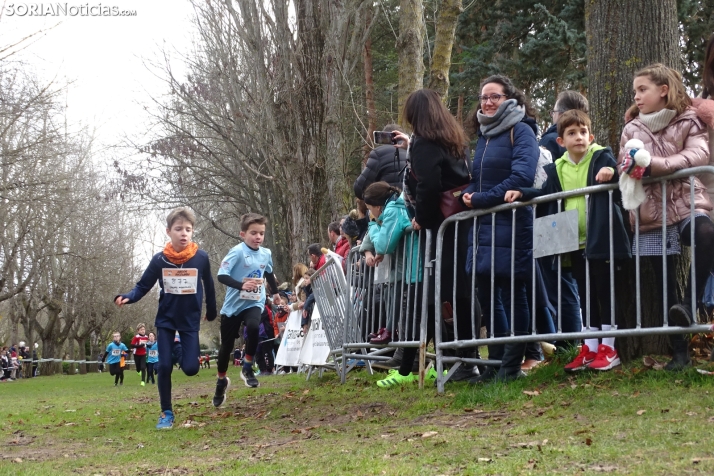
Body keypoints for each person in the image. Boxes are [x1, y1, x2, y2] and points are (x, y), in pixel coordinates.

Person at [507, 109, 632, 371]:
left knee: (604, 291)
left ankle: (610, 347)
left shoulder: (600, 156)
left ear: (591, 135)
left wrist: (609, 171)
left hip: (602, 239)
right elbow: (545, 193)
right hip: (575, 242)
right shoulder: (558, 168)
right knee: (586, 294)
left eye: (583, 132)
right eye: (572, 133)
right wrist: (523, 193)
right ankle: (590, 346)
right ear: (561, 141)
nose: (579, 137)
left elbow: (615, 169)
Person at [375, 88, 473, 387]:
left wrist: (423, 218)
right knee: (455, 294)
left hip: (441, 224)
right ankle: (456, 359)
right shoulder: (453, 139)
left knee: (447, 296)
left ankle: (462, 361)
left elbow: (429, 184)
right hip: (460, 221)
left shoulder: (425, 144)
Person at [619, 63, 714, 370]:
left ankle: (690, 304)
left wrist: (657, 165)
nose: (637, 96)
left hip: (687, 201)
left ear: (663, 90)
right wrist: (635, 166)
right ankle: (679, 354)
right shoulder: (631, 128)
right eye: (635, 91)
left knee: (705, 234)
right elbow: (628, 164)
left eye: (642, 89)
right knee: (663, 283)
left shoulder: (689, 119)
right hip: (651, 213)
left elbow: (699, 155)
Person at [461, 75, 540, 383]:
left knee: (513, 291)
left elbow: (521, 175)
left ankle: (512, 363)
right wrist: (468, 192)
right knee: (488, 294)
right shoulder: (484, 137)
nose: (488, 103)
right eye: (484, 98)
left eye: (494, 97)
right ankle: (495, 364)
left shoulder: (521, 130)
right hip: (484, 228)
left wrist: (479, 199)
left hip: (511, 223)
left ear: (510, 99)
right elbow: (479, 177)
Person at [114, 207, 217, 429]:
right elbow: (142, 286)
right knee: (163, 366)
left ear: (192, 232)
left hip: (189, 320)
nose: (184, 233)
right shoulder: (160, 260)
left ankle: (178, 351)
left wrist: (211, 310)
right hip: (167, 319)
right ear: (169, 231)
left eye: (188, 229)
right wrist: (127, 297)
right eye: (179, 229)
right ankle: (166, 413)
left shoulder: (201, 258)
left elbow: (208, 284)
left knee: (191, 368)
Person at [536, 91, 589, 356]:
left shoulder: (549, 140)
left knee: (561, 280)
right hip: (566, 219)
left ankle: (570, 343)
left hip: (556, 221)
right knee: (568, 281)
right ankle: (573, 341)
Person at [213, 213, 279, 407]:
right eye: (253, 233)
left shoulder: (266, 253)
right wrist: (241, 286)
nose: (258, 237)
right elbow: (221, 275)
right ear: (243, 234)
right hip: (233, 306)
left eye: (261, 233)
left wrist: (275, 293)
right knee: (226, 349)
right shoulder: (237, 252)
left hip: (254, 302)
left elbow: (268, 272)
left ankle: (248, 367)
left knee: (253, 327)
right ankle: (221, 381)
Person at [354, 124, 408, 200]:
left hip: (389, 206)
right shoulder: (414, 152)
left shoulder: (379, 154)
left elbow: (359, 188)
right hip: (412, 207)